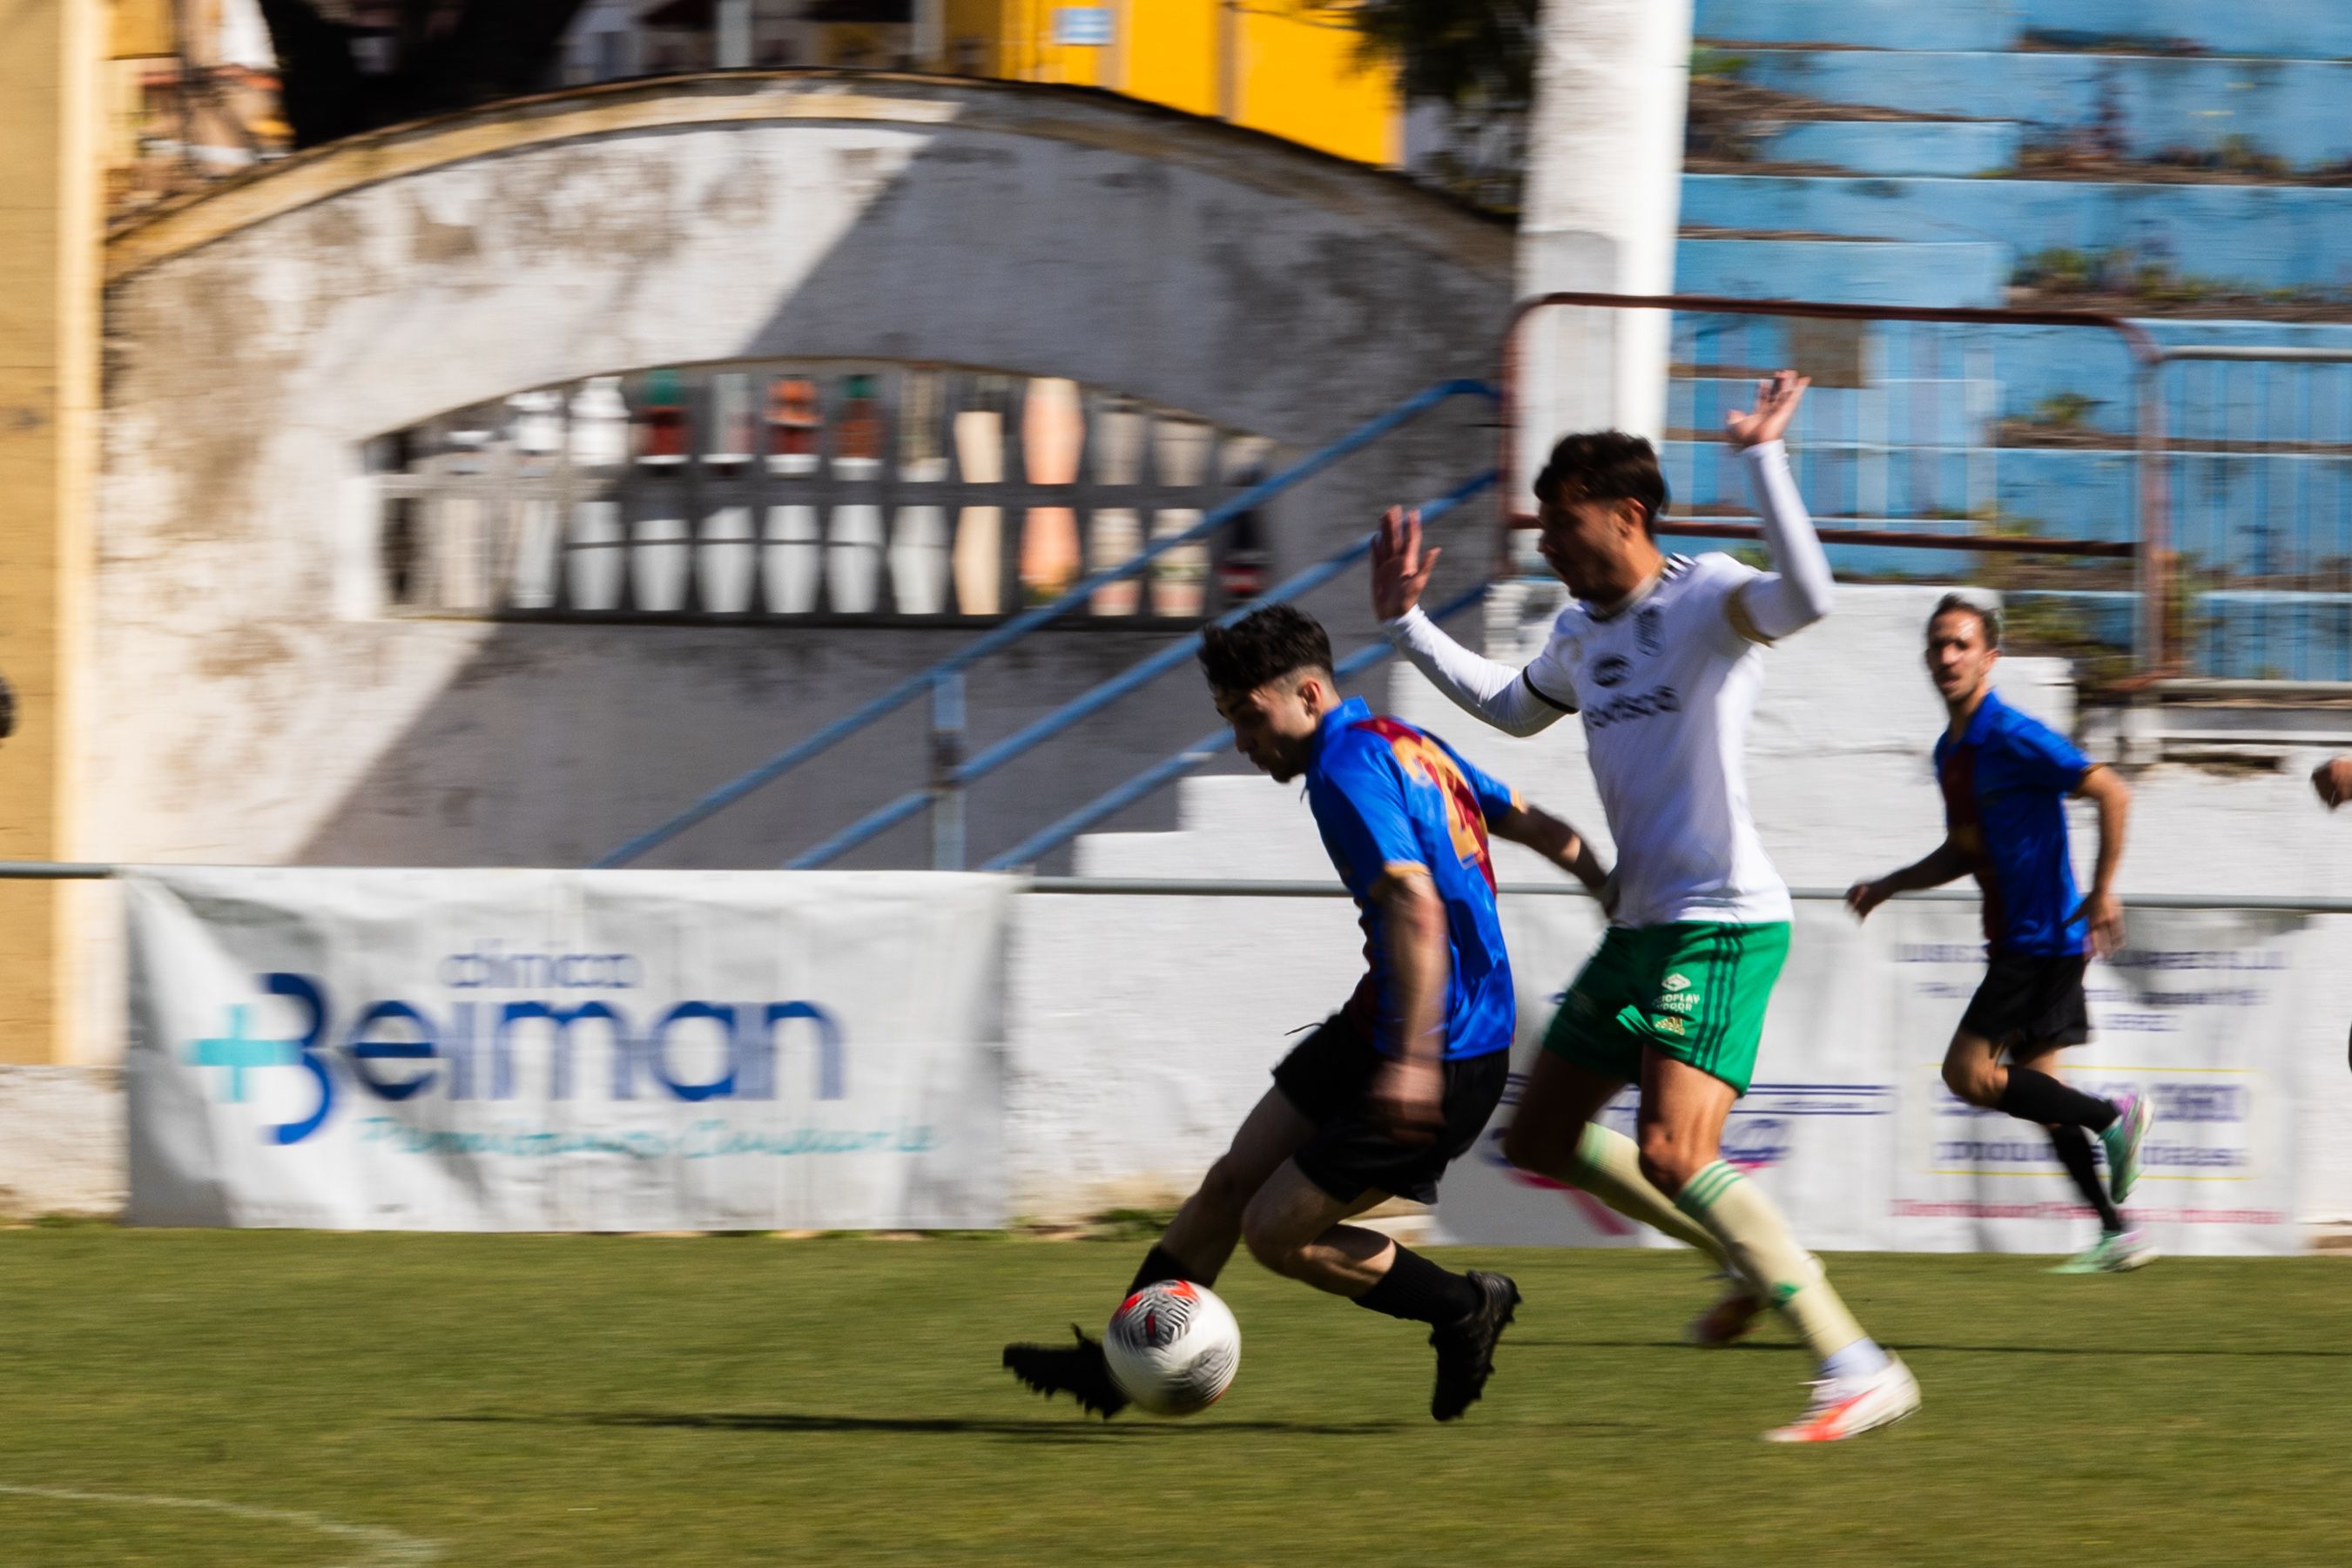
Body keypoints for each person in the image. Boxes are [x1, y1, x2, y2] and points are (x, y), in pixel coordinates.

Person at [1373, 371, 1917, 1444]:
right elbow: (1511, 709)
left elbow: (1810, 599)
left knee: (1674, 1148)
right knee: (1537, 1134)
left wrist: (1763, 458)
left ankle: (1854, 1364)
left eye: (1561, 525)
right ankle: (1747, 1260)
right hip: (1640, 925)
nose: (1547, 548)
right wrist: (1406, 626)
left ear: (1625, 515)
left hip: (1722, 922)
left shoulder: (1706, 597)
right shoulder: (1581, 633)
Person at [1002, 604, 1608, 1423]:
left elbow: (1416, 909)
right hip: (1381, 1022)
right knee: (1227, 1186)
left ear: (1310, 692)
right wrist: (1608, 887)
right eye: (1228, 721)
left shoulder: (1346, 772)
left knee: (1275, 1232)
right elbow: (1528, 819)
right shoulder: (1403, 740)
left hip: (1442, 1046)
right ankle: (1117, 1370)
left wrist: (1412, 1062)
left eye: (1249, 717)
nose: (1243, 742)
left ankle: (1464, 1306)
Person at [1847, 591, 2153, 1273]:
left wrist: (2102, 889)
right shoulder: (1950, 752)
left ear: (1990, 657)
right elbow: (1962, 849)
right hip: (2026, 939)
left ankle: (2113, 1116)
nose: (1947, 655)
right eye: (1937, 644)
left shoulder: (2011, 733)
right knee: (2039, 1094)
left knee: (1966, 1073)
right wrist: (1891, 882)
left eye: (1960, 644)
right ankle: (2116, 1232)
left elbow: (2112, 790)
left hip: (2039, 939)